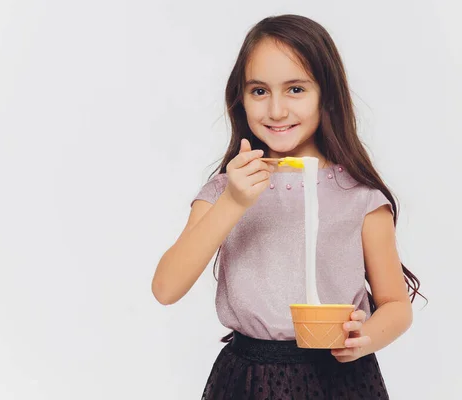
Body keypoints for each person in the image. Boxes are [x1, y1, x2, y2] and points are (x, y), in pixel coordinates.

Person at [152, 14, 424, 400]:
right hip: (248, 381)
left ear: (326, 95)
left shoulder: (359, 196)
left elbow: (396, 305)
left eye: (295, 89)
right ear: (240, 99)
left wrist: (362, 339)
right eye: (259, 91)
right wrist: (233, 201)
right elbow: (166, 287)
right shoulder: (224, 190)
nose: (276, 110)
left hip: (340, 380)